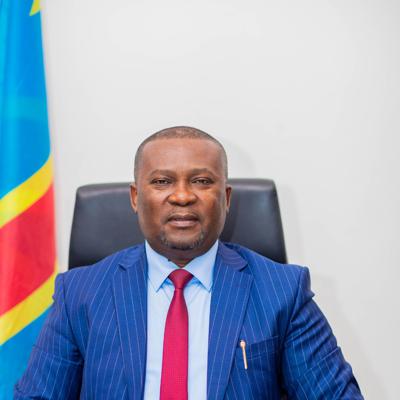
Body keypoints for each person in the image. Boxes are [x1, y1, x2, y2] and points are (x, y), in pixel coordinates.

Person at [15, 127, 363, 399]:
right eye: (162, 181)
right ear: (135, 198)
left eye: (201, 181)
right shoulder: (80, 293)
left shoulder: (283, 292)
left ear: (225, 198)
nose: (182, 196)